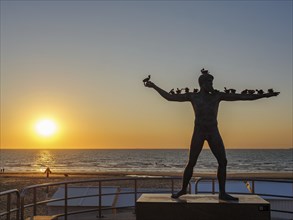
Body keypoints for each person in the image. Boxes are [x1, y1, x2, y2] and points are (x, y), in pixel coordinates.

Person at [144, 69, 279, 201]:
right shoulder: (193, 96)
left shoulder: (217, 96)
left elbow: (242, 97)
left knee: (223, 161)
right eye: (209, 83)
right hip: (199, 132)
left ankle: (222, 193)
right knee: (191, 162)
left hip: (213, 131)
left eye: (212, 83)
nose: (212, 85)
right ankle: (184, 189)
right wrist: (154, 86)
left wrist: (265, 95)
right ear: (202, 84)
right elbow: (170, 97)